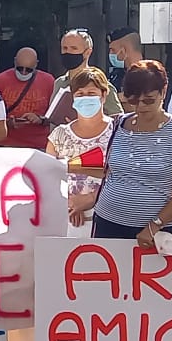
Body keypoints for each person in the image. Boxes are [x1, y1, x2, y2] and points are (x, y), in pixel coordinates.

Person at [87, 61, 172, 246]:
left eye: (148, 100)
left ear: (164, 91)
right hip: (108, 223)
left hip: (159, 231)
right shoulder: (118, 124)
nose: (140, 107)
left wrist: (155, 226)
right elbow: (106, 168)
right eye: (133, 101)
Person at [47, 69, 116, 235]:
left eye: (91, 93)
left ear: (103, 95)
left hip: (107, 218)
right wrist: (71, 204)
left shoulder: (118, 131)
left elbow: (125, 175)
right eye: (80, 94)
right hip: (66, 219)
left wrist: (91, 200)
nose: (85, 98)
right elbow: (48, 177)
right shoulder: (59, 135)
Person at [49, 28, 119, 124]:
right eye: (64, 48)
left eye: (74, 48)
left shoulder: (100, 85)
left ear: (87, 52)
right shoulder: (59, 83)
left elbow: (117, 120)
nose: (68, 52)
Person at [0, 46, 55, 150]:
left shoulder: (49, 81)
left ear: (36, 64)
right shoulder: (0, 80)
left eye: (28, 70)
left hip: (38, 144)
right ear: (14, 62)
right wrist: (7, 122)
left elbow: (55, 115)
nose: (23, 72)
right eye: (19, 68)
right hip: (6, 143)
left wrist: (39, 119)